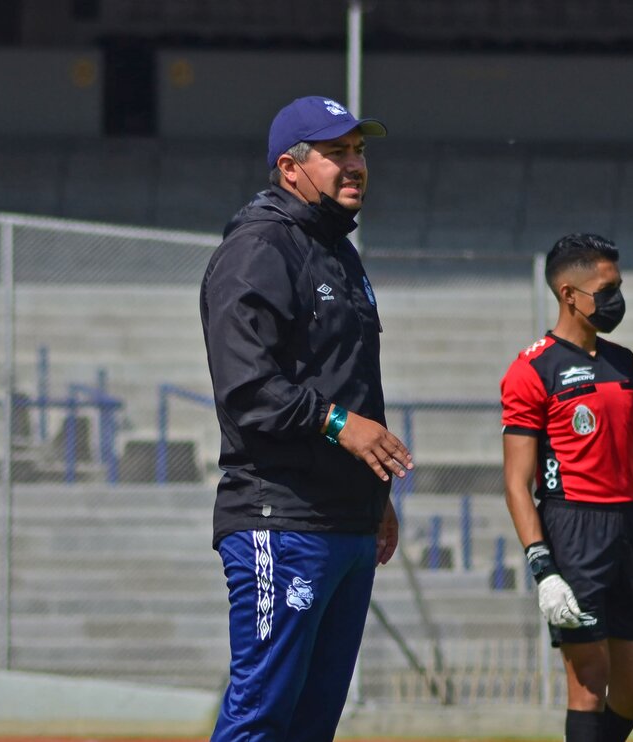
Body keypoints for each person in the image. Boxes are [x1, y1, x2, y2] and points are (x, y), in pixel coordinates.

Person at [199, 96, 414, 741]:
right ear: (291, 168)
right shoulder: (258, 249)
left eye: (360, 151)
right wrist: (339, 425)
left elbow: (349, 377)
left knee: (312, 724)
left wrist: (374, 496)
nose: (355, 165)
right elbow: (247, 389)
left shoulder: (338, 253)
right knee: (262, 714)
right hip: (281, 518)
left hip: (345, 521)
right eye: (336, 152)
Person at [500, 233, 633, 742]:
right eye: (606, 288)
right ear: (569, 294)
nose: (616, 298)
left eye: (618, 286)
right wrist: (542, 567)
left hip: (628, 531)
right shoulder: (532, 370)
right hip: (573, 529)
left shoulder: (625, 363)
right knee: (589, 684)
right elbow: (515, 482)